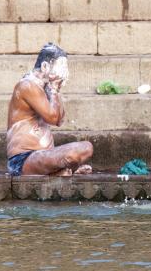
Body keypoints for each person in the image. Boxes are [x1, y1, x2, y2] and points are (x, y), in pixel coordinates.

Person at [6, 43, 93, 176]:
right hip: (23, 160)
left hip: (43, 156)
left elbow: (59, 120)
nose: (64, 73)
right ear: (45, 66)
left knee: (86, 147)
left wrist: (56, 90)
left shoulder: (45, 87)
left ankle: (61, 171)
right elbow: (52, 118)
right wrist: (53, 89)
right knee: (79, 150)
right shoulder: (27, 85)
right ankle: (61, 172)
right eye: (61, 67)